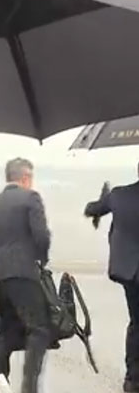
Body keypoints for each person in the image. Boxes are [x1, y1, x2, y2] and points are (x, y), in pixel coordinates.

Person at [0, 158, 51, 393]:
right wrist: (40, 258)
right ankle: (29, 388)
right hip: (22, 273)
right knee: (39, 329)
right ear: (26, 178)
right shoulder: (31, 198)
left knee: (6, 329)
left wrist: (1, 260)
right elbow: (41, 236)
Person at [84, 162, 139, 393]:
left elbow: (91, 209)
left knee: (137, 324)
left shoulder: (119, 195)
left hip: (130, 272)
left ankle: (133, 379)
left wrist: (104, 198)